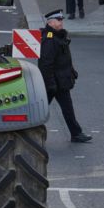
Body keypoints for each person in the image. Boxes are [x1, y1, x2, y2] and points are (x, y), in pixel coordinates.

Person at [38, 10, 91, 143]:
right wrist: (50, 84)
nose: (61, 22)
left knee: (66, 108)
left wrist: (71, 72)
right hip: (54, 83)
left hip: (60, 81)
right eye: (58, 20)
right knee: (41, 110)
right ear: (50, 22)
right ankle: (30, 132)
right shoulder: (50, 39)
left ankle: (76, 133)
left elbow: (63, 59)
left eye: (61, 19)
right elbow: (46, 64)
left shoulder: (57, 36)